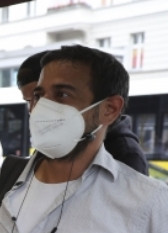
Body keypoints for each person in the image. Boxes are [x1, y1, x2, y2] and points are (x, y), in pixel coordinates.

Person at [0, 44, 168, 233]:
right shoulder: (5, 180)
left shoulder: (149, 203)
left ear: (110, 109)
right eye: (39, 96)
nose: (41, 109)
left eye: (62, 95)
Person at [17, 50, 149, 175]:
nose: (36, 109)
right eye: (31, 100)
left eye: (60, 94)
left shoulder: (125, 156)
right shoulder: (56, 144)